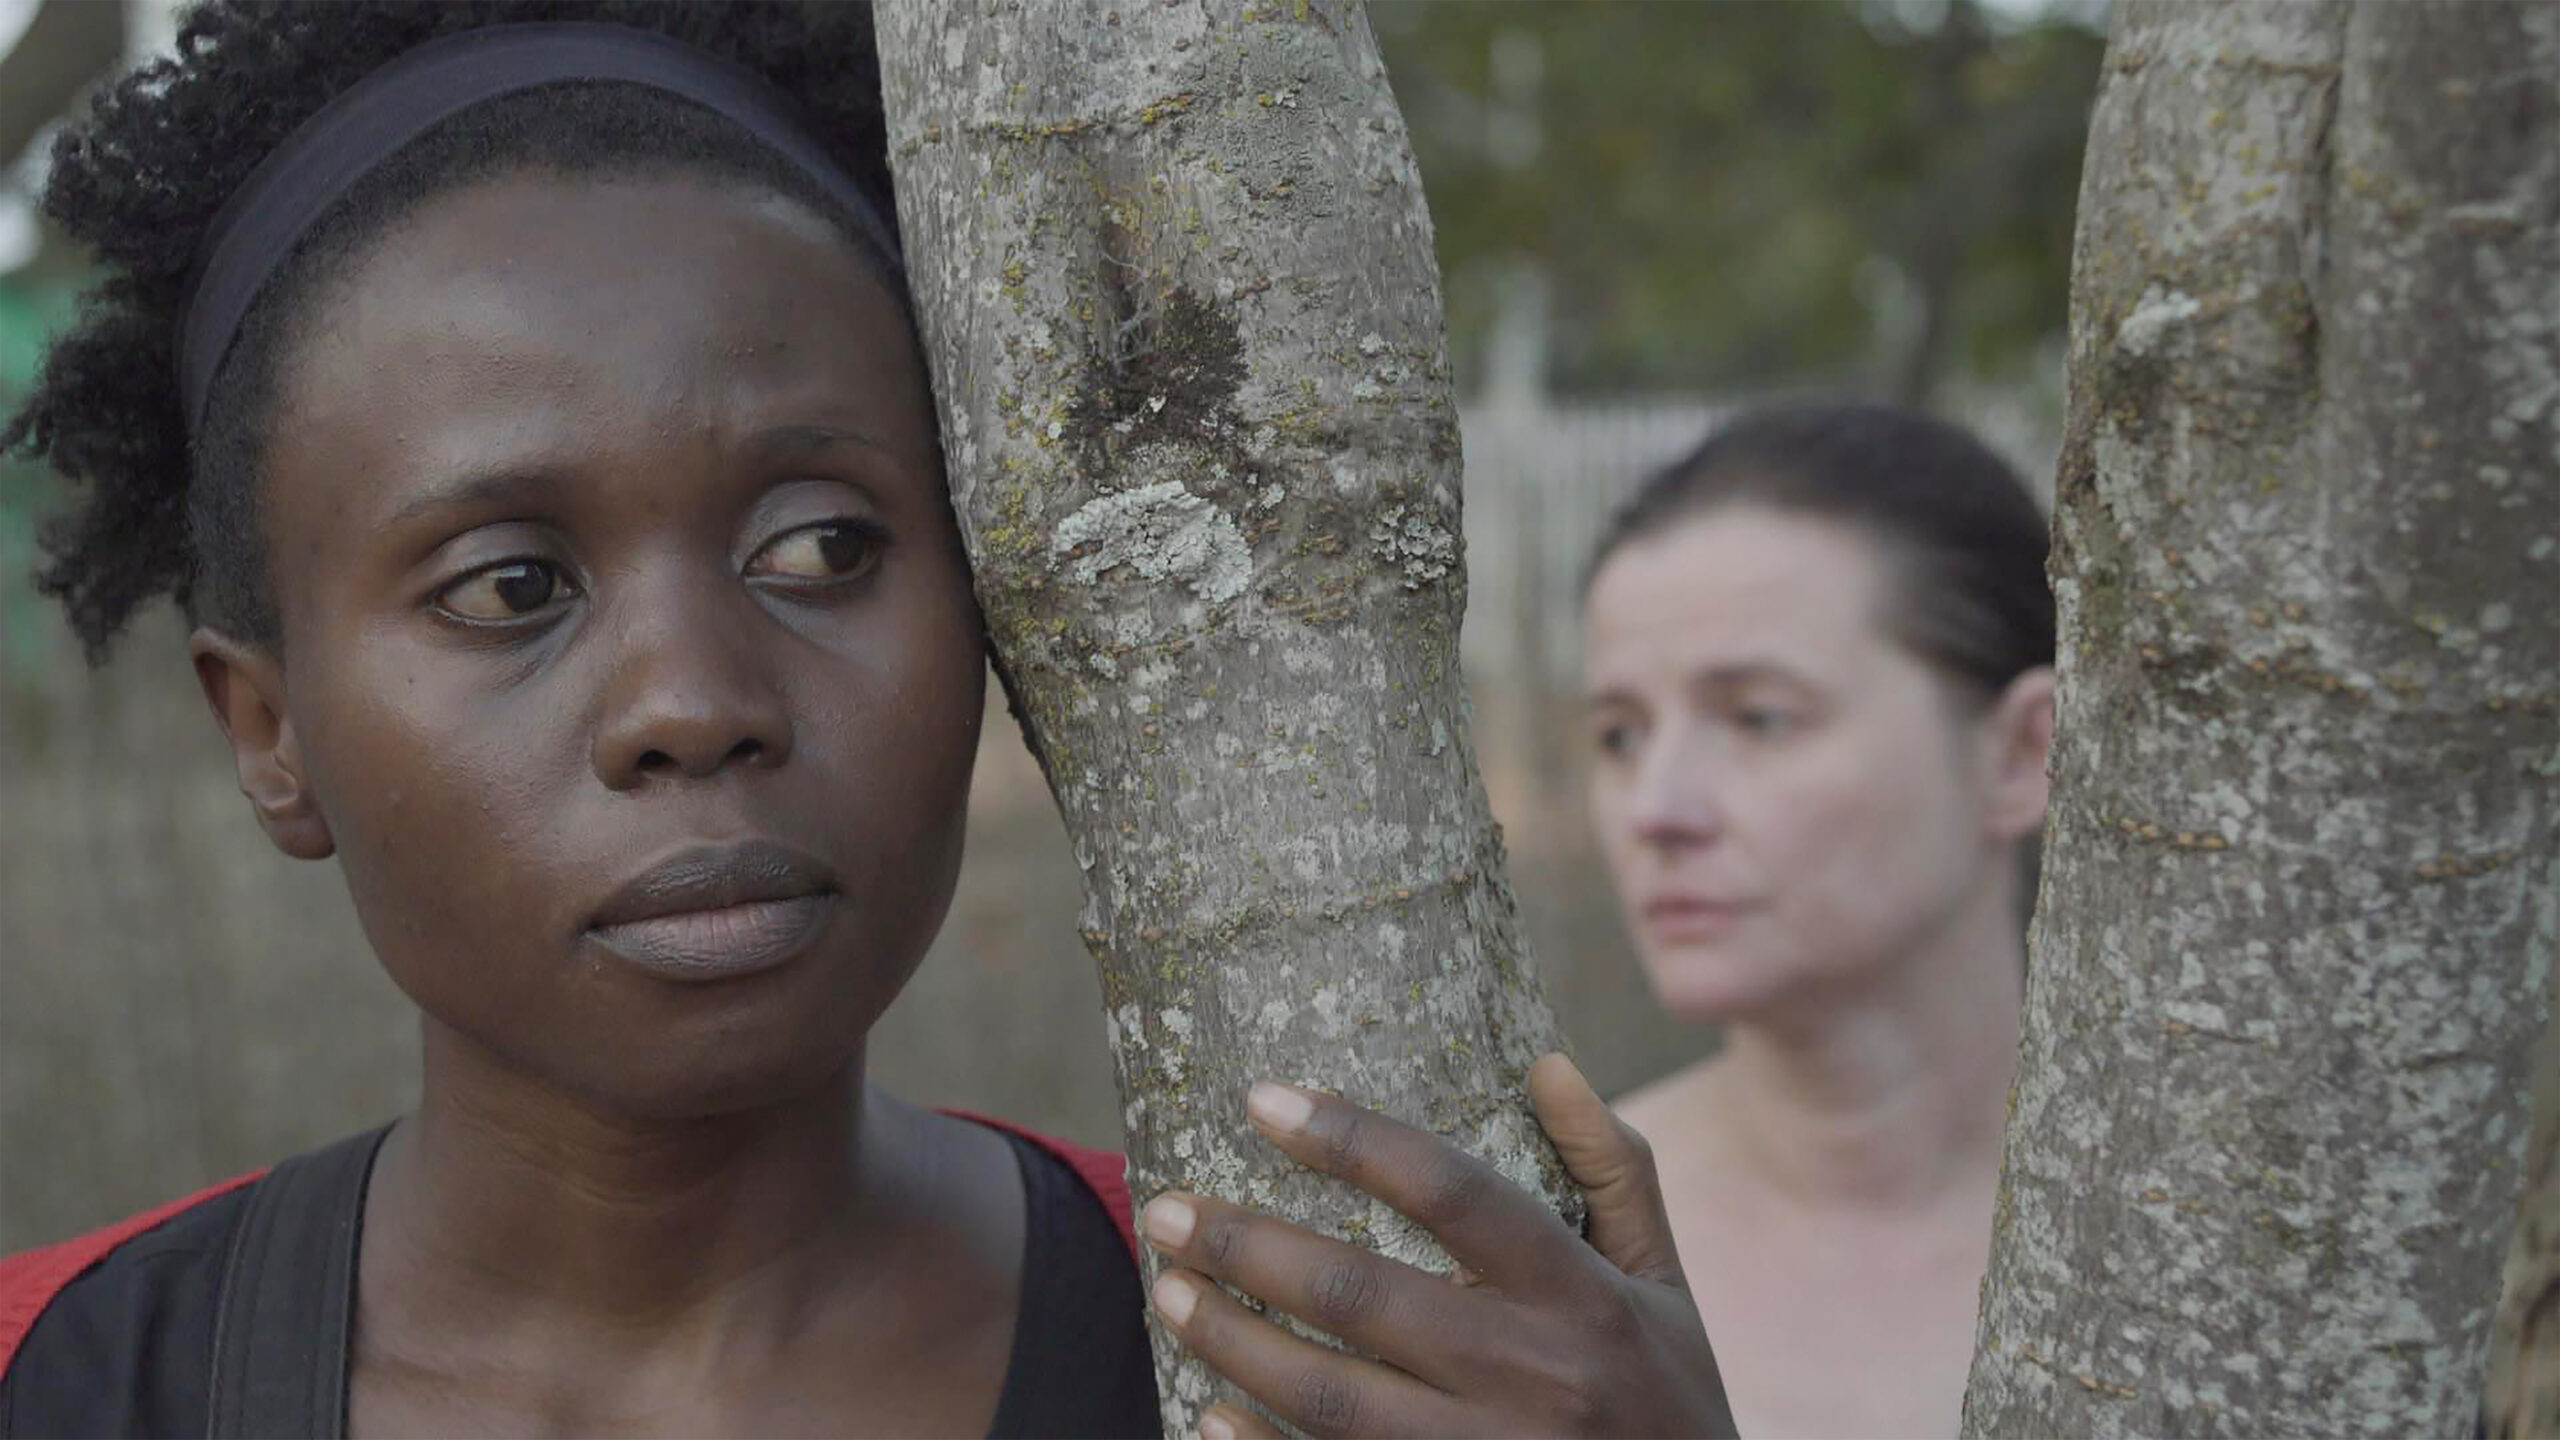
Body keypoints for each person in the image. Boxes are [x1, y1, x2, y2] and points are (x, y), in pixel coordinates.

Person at [0, 4, 1738, 1436]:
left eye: (822, 547)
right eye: (511, 586)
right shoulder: (62, 1380)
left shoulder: (1311, 1367)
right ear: (267, 729)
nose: (693, 705)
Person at [1583, 401, 2055, 1439]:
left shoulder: (2233, 1234)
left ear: (2023, 753)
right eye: (1619, 734)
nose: (1657, 808)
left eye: (1759, 717)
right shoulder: (1555, 1249)